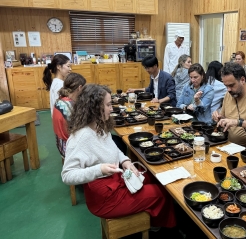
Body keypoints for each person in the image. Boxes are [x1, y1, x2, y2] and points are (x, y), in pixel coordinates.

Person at [62, 84, 176, 228]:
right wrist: (99, 169)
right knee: (160, 194)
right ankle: (160, 227)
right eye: (108, 105)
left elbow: (114, 149)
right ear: (95, 107)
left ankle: (153, 217)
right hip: (104, 198)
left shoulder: (99, 125)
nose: (112, 109)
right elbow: (67, 175)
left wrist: (126, 161)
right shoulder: (80, 137)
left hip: (116, 180)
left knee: (155, 178)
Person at [52, 73, 86, 157]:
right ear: (80, 88)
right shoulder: (71, 106)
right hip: (68, 147)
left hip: (60, 143)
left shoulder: (60, 100)